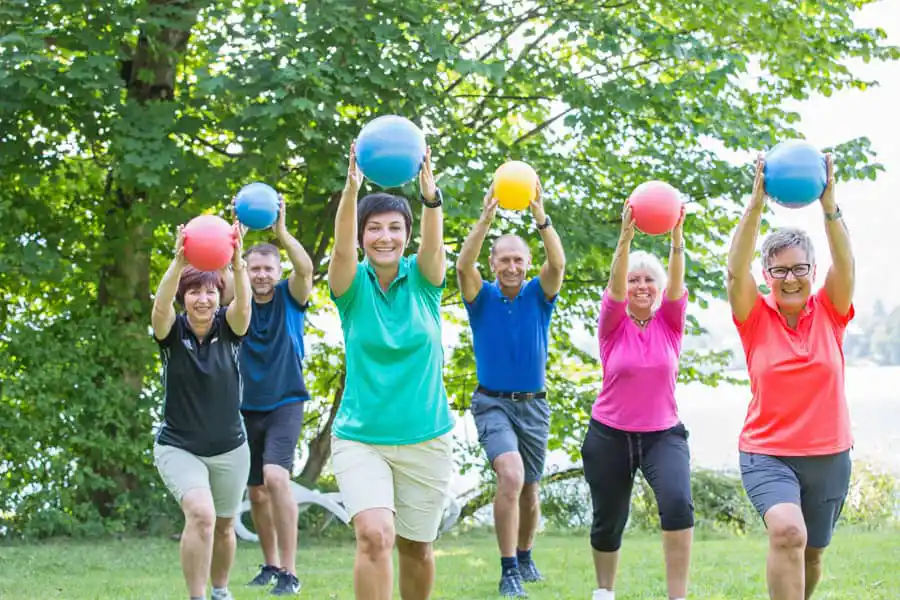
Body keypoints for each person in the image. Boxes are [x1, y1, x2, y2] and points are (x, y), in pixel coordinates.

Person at [327, 143, 455, 600]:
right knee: (375, 534)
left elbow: (433, 245)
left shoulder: (424, 282)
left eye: (395, 228)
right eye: (374, 228)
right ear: (362, 235)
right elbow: (340, 247)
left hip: (426, 436)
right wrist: (351, 189)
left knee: (417, 548)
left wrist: (430, 196)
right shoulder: (350, 285)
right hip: (361, 437)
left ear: (407, 233)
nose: (385, 237)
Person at [726, 154, 854, 600]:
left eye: (799, 267)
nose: (791, 278)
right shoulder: (754, 316)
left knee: (812, 553)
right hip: (767, 452)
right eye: (779, 270)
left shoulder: (832, 311)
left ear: (812, 272)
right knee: (787, 533)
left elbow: (847, 262)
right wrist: (755, 204)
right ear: (768, 276)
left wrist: (829, 205)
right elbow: (734, 270)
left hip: (829, 454)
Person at [456, 181, 565, 597]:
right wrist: (486, 217)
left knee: (530, 490)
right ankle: (508, 571)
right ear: (494, 262)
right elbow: (464, 266)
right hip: (492, 404)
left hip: (534, 407)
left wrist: (540, 214)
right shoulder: (480, 296)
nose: (512, 266)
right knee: (511, 475)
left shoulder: (540, 295)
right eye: (504, 260)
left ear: (527, 262)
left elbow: (558, 263)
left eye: (518, 260)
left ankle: (524, 554)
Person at [581, 201, 692, 600]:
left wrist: (677, 237)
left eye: (648, 280)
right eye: (633, 280)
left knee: (678, 504)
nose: (641, 286)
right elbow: (613, 287)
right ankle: (604, 591)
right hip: (609, 434)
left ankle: (676, 596)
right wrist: (625, 240)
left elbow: (678, 283)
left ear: (659, 289)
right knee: (608, 520)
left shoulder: (670, 322)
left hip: (663, 434)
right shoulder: (612, 323)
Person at [150, 221, 251, 600]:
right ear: (184, 297)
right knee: (202, 515)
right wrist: (178, 261)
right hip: (180, 446)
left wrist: (238, 262)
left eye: (210, 291)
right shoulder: (171, 332)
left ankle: (220, 591)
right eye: (194, 292)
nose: (203, 299)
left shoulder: (231, 327)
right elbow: (159, 307)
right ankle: (197, 597)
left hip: (230, 448)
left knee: (225, 526)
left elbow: (243, 303)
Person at [232, 197, 315, 596]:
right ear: (245, 271)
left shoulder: (290, 296)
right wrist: (237, 237)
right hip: (244, 406)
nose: (262, 275)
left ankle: (290, 572)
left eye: (268, 268)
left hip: (286, 400)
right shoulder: (237, 302)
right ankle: (270, 563)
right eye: (254, 268)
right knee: (256, 491)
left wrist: (281, 233)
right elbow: (223, 275)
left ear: (277, 272)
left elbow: (306, 269)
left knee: (275, 477)